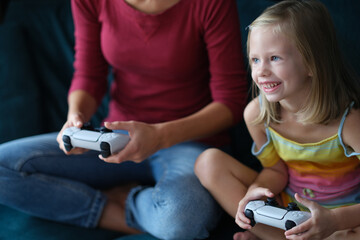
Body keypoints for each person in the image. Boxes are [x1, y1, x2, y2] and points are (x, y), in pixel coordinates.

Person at [0, 0, 248, 239]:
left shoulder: (210, 3)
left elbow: (231, 101)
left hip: (189, 141)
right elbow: (88, 75)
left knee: (183, 217)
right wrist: (76, 117)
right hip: (115, 139)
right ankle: (112, 209)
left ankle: (131, 199)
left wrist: (160, 135)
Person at [195, 0, 360, 239]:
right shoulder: (257, 115)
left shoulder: (350, 124)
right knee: (207, 162)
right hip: (288, 210)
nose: (261, 71)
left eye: (274, 58)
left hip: (344, 218)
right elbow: (275, 171)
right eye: (255, 60)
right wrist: (255, 195)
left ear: (311, 63)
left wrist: (335, 221)